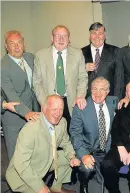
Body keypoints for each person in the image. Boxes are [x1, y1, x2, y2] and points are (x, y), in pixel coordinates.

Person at [6, 95, 80, 193]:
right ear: (44, 109)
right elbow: (21, 165)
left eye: (60, 109)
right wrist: (40, 187)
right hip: (22, 175)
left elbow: (65, 142)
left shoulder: (62, 122)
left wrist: (72, 157)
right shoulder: (30, 129)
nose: (58, 114)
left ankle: (56, 187)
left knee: (70, 156)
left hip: (44, 160)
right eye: (54, 109)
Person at [33, 25, 88, 131]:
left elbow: (83, 77)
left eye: (64, 36)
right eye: (57, 35)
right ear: (51, 38)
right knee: (52, 139)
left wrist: (80, 96)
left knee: (72, 136)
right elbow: (37, 82)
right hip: (50, 104)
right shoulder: (40, 55)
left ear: (69, 39)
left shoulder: (77, 54)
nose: (61, 39)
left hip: (71, 103)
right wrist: (45, 103)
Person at [69, 77, 118, 193]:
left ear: (108, 91)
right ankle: (83, 185)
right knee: (86, 169)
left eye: (102, 89)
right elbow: (75, 134)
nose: (97, 93)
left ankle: (99, 173)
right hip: (88, 149)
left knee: (105, 181)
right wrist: (83, 154)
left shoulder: (114, 101)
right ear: (90, 90)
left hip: (105, 149)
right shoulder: (80, 108)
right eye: (94, 89)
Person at [1, 30, 40, 159]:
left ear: (24, 43)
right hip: (14, 118)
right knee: (16, 156)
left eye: (19, 42)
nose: (17, 46)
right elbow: (11, 95)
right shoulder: (3, 67)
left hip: (34, 113)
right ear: (6, 46)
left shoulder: (30, 57)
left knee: (33, 151)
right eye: (12, 43)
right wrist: (26, 113)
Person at [81, 22, 119, 97]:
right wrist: (83, 69)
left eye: (100, 33)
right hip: (87, 99)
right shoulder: (80, 53)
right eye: (94, 33)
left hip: (109, 97)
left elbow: (119, 77)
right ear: (90, 36)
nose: (97, 37)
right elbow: (73, 76)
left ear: (104, 36)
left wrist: (117, 97)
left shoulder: (116, 51)